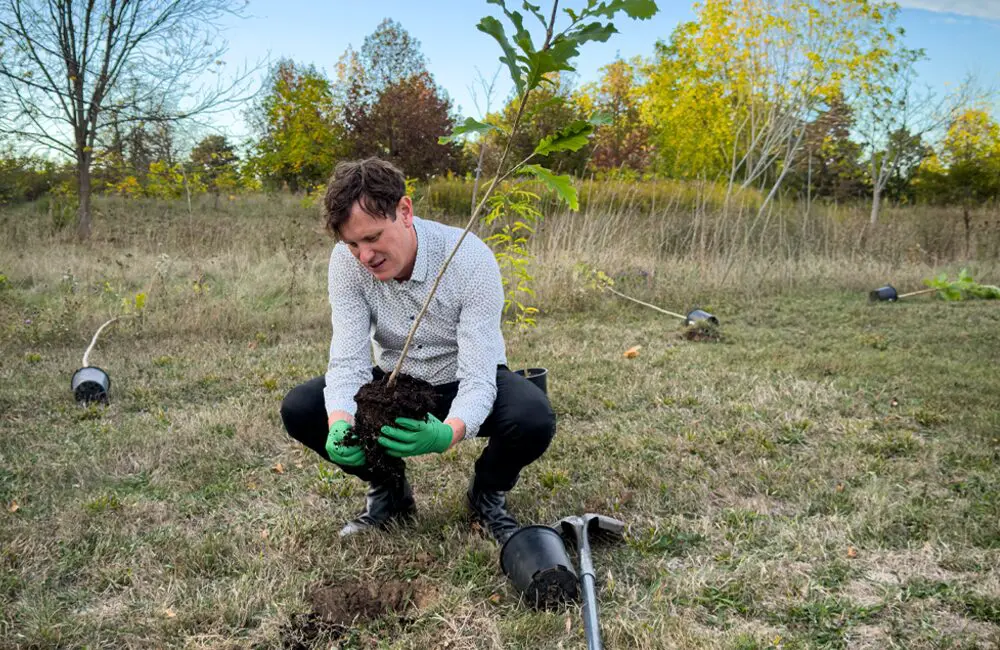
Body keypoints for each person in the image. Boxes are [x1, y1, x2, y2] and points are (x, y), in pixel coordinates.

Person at [279, 157, 556, 545]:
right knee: (304, 407)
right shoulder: (347, 264)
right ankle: (390, 492)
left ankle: (486, 495)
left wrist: (448, 433)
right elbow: (348, 360)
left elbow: (479, 376)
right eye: (352, 243)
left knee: (533, 416)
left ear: (404, 211)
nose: (365, 256)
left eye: (373, 238)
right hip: (396, 384)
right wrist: (340, 419)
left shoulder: (469, 259)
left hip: (461, 378)